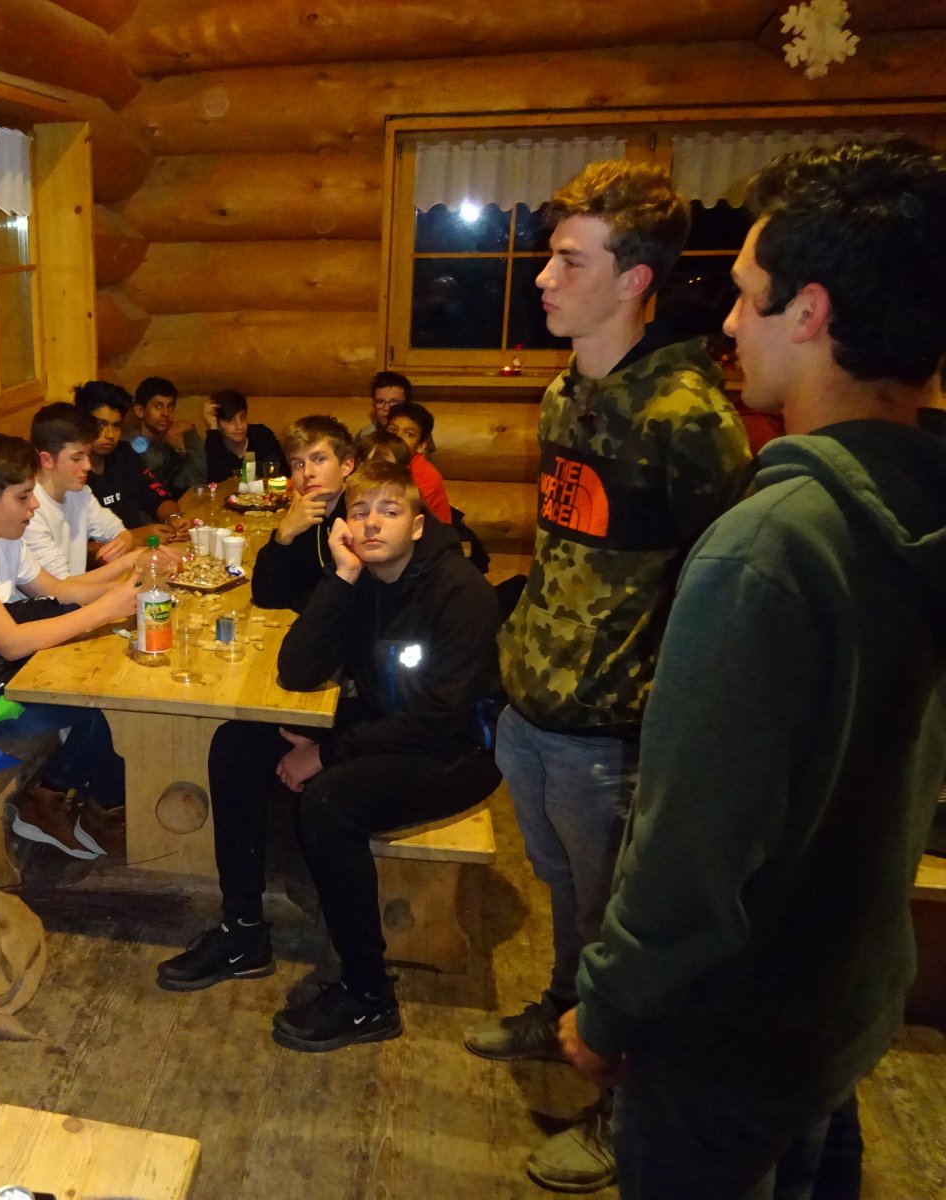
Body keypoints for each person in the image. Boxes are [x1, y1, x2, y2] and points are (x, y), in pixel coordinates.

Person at [558, 140, 946, 1200]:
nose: (727, 324)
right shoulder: (920, 498)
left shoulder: (768, 546)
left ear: (809, 313)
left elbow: (692, 849)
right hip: (846, 998)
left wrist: (609, 1008)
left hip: (728, 1032)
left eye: (744, 295)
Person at [462, 160, 751, 1194]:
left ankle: (624, 1114)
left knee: (619, 926)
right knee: (562, 898)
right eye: (548, 256)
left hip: (616, 731)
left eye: (569, 261)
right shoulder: (563, 394)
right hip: (535, 706)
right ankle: (560, 1016)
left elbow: (719, 593)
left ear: (634, 281)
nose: (543, 278)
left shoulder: (687, 418)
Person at [157, 462, 501, 1050]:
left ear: (418, 525)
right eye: (360, 512)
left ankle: (369, 996)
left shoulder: (460, 592)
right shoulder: (359, 576)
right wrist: (340, 577)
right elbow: (298, 670)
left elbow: (440, 718)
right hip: (381, 726)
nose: (372, 525)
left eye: (389, 512)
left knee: (330, 803)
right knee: (237, 742)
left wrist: (329, 753)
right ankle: (244, 933)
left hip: (457, 751)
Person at [0, 434, 139, 858]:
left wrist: (127, 577)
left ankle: (82, 804)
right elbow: (10, 641)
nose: (34, 505)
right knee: (103, 706)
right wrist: (103, 610)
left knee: (106, 694)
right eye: (23, 497)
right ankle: (54, 800)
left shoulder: (4, 537)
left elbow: (60, 589)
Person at [250, 415, 356, 612]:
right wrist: (283, 536)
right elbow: (266, 597)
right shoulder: (302, 517)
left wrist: (298, 600)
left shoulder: (361, 516)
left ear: (346, 465)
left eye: (319, 459)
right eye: (298, 464)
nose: (307, 472)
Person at [23, 401, 137, 579]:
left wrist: (123, 541)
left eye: (88, 456)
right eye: (77, 459)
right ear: (47, 460)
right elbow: (62, 586)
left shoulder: (79, 493)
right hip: (56, 595)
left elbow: (120, 532)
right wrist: (132, 560)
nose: (88, 466)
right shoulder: (29, 510)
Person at [75, 381, 186, 542]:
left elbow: (157, 495)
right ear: (81, 423)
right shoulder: (71, 472)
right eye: (101, 425)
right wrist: (134, 538)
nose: (110, 435)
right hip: (112, 555)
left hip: (141, 551)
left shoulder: (124, 454)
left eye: (116, 426)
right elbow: (76, 548)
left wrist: (174, 520)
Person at [132, 375, 206, 494]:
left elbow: (195, 480)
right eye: (158, 406)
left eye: (170, 407)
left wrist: (190, 433)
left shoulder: (165, 448)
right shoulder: (130, 446)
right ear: (140, 411)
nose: (166, 413)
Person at [384, 400, 453, 523]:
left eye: (409, 434)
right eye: (392, 430)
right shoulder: (381, 460)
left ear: (421, 445)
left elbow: (400, 516)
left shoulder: (426, 476)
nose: (398, 438)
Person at [202, 388, 286, 485]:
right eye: (230, 421)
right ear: (218, 423)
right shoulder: (214, 443)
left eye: (243, 418)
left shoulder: (261, 435)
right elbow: (216, 481)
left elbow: (277, 471)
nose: (240, 426)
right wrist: (213, 429)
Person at [359, 369, 415, 440]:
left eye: (394, 402)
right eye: (380, 402)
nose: (386, 408)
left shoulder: (418, 434)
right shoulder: (365, 436)